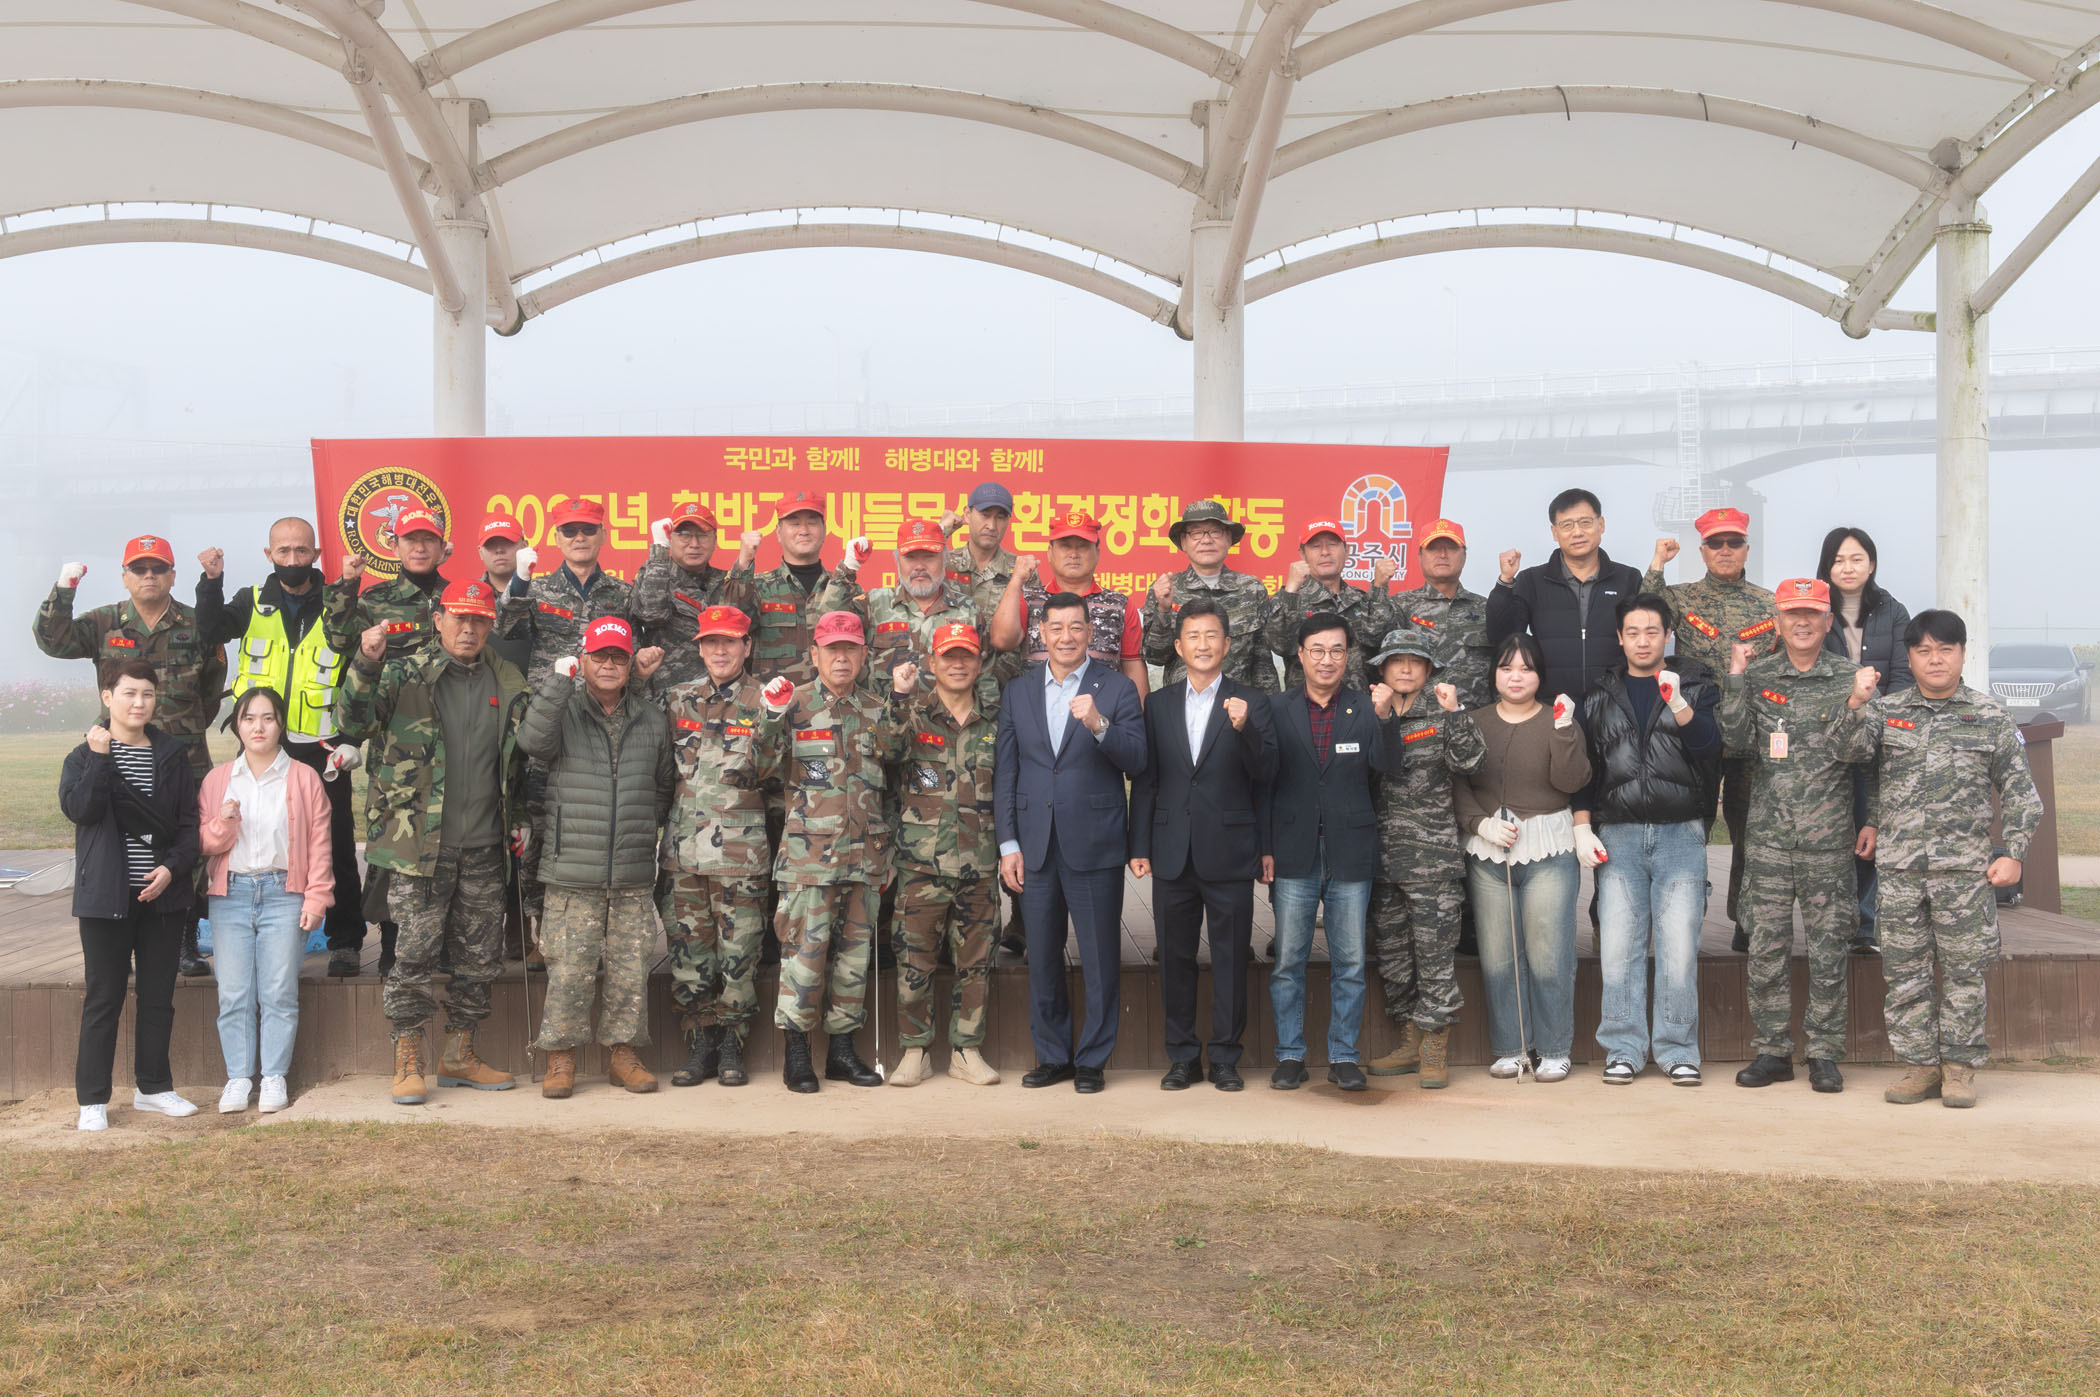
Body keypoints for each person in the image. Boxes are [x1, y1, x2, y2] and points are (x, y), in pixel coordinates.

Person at [1832, 609, 2042, 1110]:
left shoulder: (1990, 715)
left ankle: (1960, 1069)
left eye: (1945, 649)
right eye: (1923, 650)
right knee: (1905, 973)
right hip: (1900, 870)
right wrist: (1856, 703)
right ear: (1909, 658)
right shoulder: (1887, 711)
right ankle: (1920, 1066)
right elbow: (1848, 752)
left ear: (1962, 654)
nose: (1935, 660)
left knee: (1965, 973)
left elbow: (2020, 791)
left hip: (1964, 873)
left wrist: (2014, 853)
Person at [336, 579, 532, 1106]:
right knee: (414, 957)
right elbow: (352, 721)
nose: (468, 629)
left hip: (486, 845)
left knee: (479, 959)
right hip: (418, 846)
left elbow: (517, 762)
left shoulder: (507, 681)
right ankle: (408, 1057)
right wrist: (366, 662)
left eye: (479, 620)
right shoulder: (405, 673)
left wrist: (520, 818)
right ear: (439, 619)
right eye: (459, 618)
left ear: (490, 625)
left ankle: (459, 1054)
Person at [39, 534, 226, 978]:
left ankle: (183, 938)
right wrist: (64, 588)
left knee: (188, 842)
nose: (149, 576)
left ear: (172, 576)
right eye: (139, 569)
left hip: (182, 754)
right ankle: (119, 932)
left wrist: (183, 724)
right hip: (119, 755)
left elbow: (212, 684)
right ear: (125, 577)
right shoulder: (105, 622)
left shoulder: (196, 623)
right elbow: (53, 640)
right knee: (119, 839)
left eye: (158, 568)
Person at [195, 517, 367, 979]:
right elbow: (210, 629)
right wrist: (211, 583)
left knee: (335, 841)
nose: (293, 559)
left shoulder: (339, 604)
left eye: (301, 550)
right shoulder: (250, 601)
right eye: (284, 551)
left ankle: (346, 941)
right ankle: (251, 928)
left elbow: (359, 678)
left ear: (316, 555)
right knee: (250, 836)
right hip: (260, 744)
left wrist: (352, 740)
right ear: (269, 555)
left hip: (323, 747)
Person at [996, 591, 1148, 1093]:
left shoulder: (1117, 688)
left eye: (1076, 627)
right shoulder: (1018, 691)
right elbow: (1007, 772)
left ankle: (1092, 1060)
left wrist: (1099, 724)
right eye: (1056, 627)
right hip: (1035, 846)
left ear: (1090, 632)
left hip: (1094, 842)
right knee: (1041, 956)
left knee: (1100, 957)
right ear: (1041, 632)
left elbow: (1138, 761)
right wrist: (1008, 844)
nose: (1066, 637)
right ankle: (1053, 1056)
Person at [1721, 579, 1866, 1095]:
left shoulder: (1851, 678)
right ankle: (1773, 1051)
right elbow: (1735, 741)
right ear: (1777, 622)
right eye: (1791, 614)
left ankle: (1824, 1054)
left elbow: (1865, 755)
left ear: (1828, 622)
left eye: (1811, 614)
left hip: (1828, 842)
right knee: (1766, 950)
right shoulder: (1758, 676)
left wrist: (1857, 703)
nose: (1801, 623)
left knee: (1829, 952)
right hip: (1769, 840)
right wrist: (1735, 677)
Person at [1129, 597, 1278, 1091]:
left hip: (1230, 850)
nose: (1203, 644)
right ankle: (1182, 1057)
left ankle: (1226, 1058)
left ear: (1227, 644)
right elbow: (1147, 780)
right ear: (1178, 646)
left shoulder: (1251, 701)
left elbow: (1268, 774)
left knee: (1231, 959)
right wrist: (1140, 844)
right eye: (1193, 636)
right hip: (1171, 851)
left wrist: (1245, 729)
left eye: (1212, 635)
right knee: (1174, 960)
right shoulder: (1159, 704)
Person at [520, 616, 672, 1097]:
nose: (608, 665)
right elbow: (531, 742)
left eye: (618, 657)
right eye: (599, 656)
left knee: (630, 970)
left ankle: (623, 1055)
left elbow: (664, 786)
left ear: (630, 665)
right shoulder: (562, 710)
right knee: (569, 969)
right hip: (572, 869)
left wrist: (640, 828)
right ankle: (560, 1057)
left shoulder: (651, 719)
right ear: (582, 660)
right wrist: (556, 684)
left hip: (630, 870)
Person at [1576, 593, 1723, 1087]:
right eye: (1633, 632)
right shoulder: (1598, 696)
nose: (1643, 641)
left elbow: (1709, 747)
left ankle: (1678, 1050)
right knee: (1619, 947)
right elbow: (1586, 770)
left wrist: (1678, 702)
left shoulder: (1696, 686)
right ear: (1620, 638)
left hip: (1681, 833)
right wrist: (1582, 826)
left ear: (1668, 636)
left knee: (1678, 948)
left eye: (1653, 632)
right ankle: (1623, 1048)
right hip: (1617, 834)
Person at [767, 611, 914, 1092]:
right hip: (808, 860)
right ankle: (797, 1053)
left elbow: (896, 769)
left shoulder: (877, 709)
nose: (842, 658)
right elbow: (760, 765)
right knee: (805, 957)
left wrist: (901, 700)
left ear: (864, 655)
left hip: (864, 857)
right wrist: (769, 716)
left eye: (850, 648)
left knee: (853, 961)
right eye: (832, 649)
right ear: (815, 655)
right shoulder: (793, 704)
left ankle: (842, 1053)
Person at [58, 659, 202, 1131]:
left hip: (164, 897)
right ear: (107, 697)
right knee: (104, 996)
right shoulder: (82, 757)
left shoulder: (171, 755)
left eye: (147, 694)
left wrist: (170, 869)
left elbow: (188, 826)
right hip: (105, 897)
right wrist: (101, 758)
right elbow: (81, 809)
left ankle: (154, 1088)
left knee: (158, 996)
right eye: (129, 693)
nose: (139, 703)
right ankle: (92, 1099)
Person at [497, 496, 638, 946]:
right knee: (541, 829)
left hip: (602, 726)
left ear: (603, 535)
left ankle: (593, 934)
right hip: (551, 724)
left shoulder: (621, 594)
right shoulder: (536, 590)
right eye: (570, 531)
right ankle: (540, 929)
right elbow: (504, 626)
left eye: (588, 530)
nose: (579, 538)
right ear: (556, 538)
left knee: (590, 828)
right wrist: (520, 579)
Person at [321, 504, 452, 977]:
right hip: (395, 742)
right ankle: (392, 941)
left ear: (442, 547)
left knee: (445, 839)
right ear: (394, 546)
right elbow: (339, 641)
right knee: (393, 837)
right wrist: (346, 586)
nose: (419, 547)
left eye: (428, 539)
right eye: (410, 540)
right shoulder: (375, 600)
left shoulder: (457, 597)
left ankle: (442, 942)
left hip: (451, 738)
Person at [1455, 636, 1591, 1081]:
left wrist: (1565, 731)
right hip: (1488, 851)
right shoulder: (1474, 721)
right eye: (1507, 667)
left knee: (1549, 956)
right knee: (1498, 958)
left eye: (1526, 669)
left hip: (1548, 847)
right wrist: (1479, 824)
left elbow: (1571, 781)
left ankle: (1554, 1048)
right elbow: (1457, 782)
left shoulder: (1558, 718)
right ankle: (1511, 1048)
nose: (1516, 677)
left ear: (1540, 675)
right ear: (1494, 673)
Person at [1642, 506, 1777, 953]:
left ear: (1747, 549)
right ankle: (1684, 917)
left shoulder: (1768, 604)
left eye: (1733, 542)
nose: (1725, 550)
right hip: (1695, 734)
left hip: (1749, 738)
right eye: (1715, 543)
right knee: (1688, 830)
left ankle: (1745, 919)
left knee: (1749, 833)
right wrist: (1657, 564)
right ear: (1701, 550)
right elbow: (1646, 615)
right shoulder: (1682, 598)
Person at [197, 686, 333, 1114]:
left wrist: (317, 897)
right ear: (237, 725)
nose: (259, 727)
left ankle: (274, 1075)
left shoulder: (304, 777)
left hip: (284, 894)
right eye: (249, 718)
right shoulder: (218, 780)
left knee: (278, 991)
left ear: (281, 724)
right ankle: (239, 1077)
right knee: (234, 992)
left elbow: (319, 844)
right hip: (231, 894)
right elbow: (202, 842)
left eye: (268, 718)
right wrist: (222, 824)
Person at [1265, 615, 1387, 1092]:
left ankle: (1343, 1056)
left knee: (1350, 963)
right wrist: (1265, 847)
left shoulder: (1366, 706)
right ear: (1299, 655)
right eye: (1317, 650)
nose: (1327, 659)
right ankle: (1290, 1054)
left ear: (1348, 655)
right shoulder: (1276, 708)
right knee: (1288, 962)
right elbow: (1263, 781)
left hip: (1350, 850)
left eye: (1336, 650)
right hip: (1293, 850)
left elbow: (1386, 766)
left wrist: (1387, 719)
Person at [659, 605, 779, 1088]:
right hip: (684, 853)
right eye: (711, 642)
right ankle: (700, 1042)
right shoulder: (677, 699)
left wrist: (774, 719)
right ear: (700, 648)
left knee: (739, 954)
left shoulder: (767, 700)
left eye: (730, 641)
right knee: (689, 954)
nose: (720, 650)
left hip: (740, 854)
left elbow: (775, 773)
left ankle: (732, 1041)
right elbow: (661, 773)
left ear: (747, 646)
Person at [1362, 629, 1483, 1089]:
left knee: (1434, 958)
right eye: (1397, 661)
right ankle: (1409, 1041)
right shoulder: (1370, 710)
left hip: (1431, 860)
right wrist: (1378, 718)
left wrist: (1455, 713)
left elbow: (1470, 763)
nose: (1406, 669)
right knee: (1394, 958)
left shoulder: (1442, 709)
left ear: (1429, 669)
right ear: (1382, 669)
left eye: (1415, 661)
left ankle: (1435, 1046)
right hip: (1382, 860)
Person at [888, 621, 1005, 1087]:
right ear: (931, 663)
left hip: (980, 861)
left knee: (976, 963)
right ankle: (914, 1050)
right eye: (948, 656)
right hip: (921, 864)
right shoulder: (912, 715)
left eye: (966, 656)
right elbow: (885, 752)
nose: (958, 664)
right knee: (913, 961)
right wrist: (899, 698)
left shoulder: (997, 722)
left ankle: (966, 1050)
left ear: (979, 663)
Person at [1818, 525, 1915, 955]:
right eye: (1838, 560)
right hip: (1830, 735)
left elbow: (1903, 675)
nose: (1848, 567)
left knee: (1871, 826)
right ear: (1827, 566)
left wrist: (1876, 723)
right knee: (1834, 831)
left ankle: (1865, 924)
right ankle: (1833, 922)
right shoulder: (1817, 610)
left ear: (1871, 564)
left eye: (1857, 559)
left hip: (1879, 736)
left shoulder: (1893, 612)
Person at [1486, 488, 1644, 706]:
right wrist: (1505, 582)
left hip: (1614, 705)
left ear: (1601, 525)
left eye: (1585, 522)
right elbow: (1501, 638)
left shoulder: (1628, 578)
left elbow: (1642, 640)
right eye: (1567, 525)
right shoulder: (1531, 581)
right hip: (1551, 706)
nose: (1577, 532)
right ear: (1554, 532)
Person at [989, 509, 1149, 698]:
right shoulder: (1029, 600)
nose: (1073, 554)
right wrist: (1017, 580)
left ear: (1097, 553)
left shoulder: (1119, 605)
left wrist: (1137, 715)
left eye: (1082, 546)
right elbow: (1002, 640)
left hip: (1101, 711)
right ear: (1050, 553)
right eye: (1065, 546)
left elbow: (1133, 667)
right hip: (1039, 708)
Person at [817, 517, 985, 693]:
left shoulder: (968, 610)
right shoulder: (874, 603)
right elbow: (824, 624)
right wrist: (848, 569)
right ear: (898, 562)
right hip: (884, 710)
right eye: (910, 558)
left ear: (944, 560)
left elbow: (985, 676)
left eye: (929, 557)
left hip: (946, 711)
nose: (919, 567)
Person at [1142, 499, 1279, 697]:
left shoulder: (1252, 588)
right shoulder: (1166, 590)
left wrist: (1265, 708)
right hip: (1184, 705)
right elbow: (1156, 657)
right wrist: (1163, 610)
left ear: (1228, 538)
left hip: (1238, 706)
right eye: (1196, 533)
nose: (1206, 540)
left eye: (1215, 532)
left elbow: (1262, 661)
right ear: (1184, 542)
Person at [720, 490, 852, 688]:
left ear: (824, 530)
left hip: (831, 703)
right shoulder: (757, 587)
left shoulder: (844, 588)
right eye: (794, 523)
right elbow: (730, 623)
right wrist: (744, 562)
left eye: (812, 522)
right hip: (772, 703)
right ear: (778, 533)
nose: (804, 530)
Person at [635, 501, 759, 690]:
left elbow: (747, 622)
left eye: (702, 535)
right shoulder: (655, 573)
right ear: (671, 539)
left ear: (715, 540)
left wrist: (743, 565)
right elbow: (652, 615)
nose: (694, 544)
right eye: (684, 535)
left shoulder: (726, 581)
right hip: (669, 696)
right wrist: (660, 549)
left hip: (724, 695)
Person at [1263, 519, 1398, 690]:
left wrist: (1379, 588)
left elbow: (1380, 641)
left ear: (1347, 551)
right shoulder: (1290, 598)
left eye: (1332, 544)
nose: (1325, 552)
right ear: (1302, 554)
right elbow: (1280, 645)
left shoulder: (1362, 599)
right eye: (1315, 546)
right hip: (1306, 703)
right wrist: (1290, 591)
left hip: (1359, 703)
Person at [1391, 519, 1493, 709]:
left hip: (1475, 719)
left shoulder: (1486, 608)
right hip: (1418, 720)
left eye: (1451, 548)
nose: (1443, 554)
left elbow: (1502, 667)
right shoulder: (1399, 605)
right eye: (1433, 548)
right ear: (1420, 556)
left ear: (1464, 556)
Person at [940, 482, 1019, 618]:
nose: (992, 526)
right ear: (967, 514)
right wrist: (941, 531)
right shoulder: (943, 564)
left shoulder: (1020, 571)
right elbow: (907, 584)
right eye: (985, 515)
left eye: (1000, 517)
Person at [477, 514, 537, 674]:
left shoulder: (548, 594)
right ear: (480, 552)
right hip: (483, 686)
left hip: (537, 687)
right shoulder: (469, 598)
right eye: (491, 544)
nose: (499, 550)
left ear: (525, 546)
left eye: (507, 542)